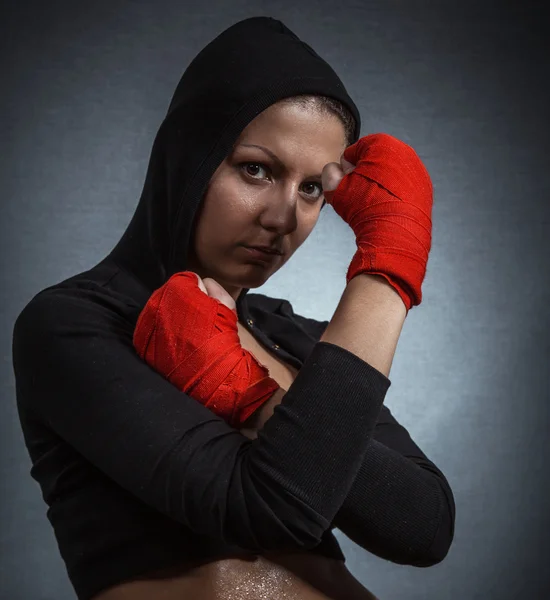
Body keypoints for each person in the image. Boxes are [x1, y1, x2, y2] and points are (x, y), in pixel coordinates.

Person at [11, 16, 456, 600]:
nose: (282, 218)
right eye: (256, 169)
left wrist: (254, 394)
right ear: (188, 156)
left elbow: (423, 527)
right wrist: (389, 265)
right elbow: (277, 509)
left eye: (311, 189)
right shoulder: (73, 324)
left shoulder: (298, 338)